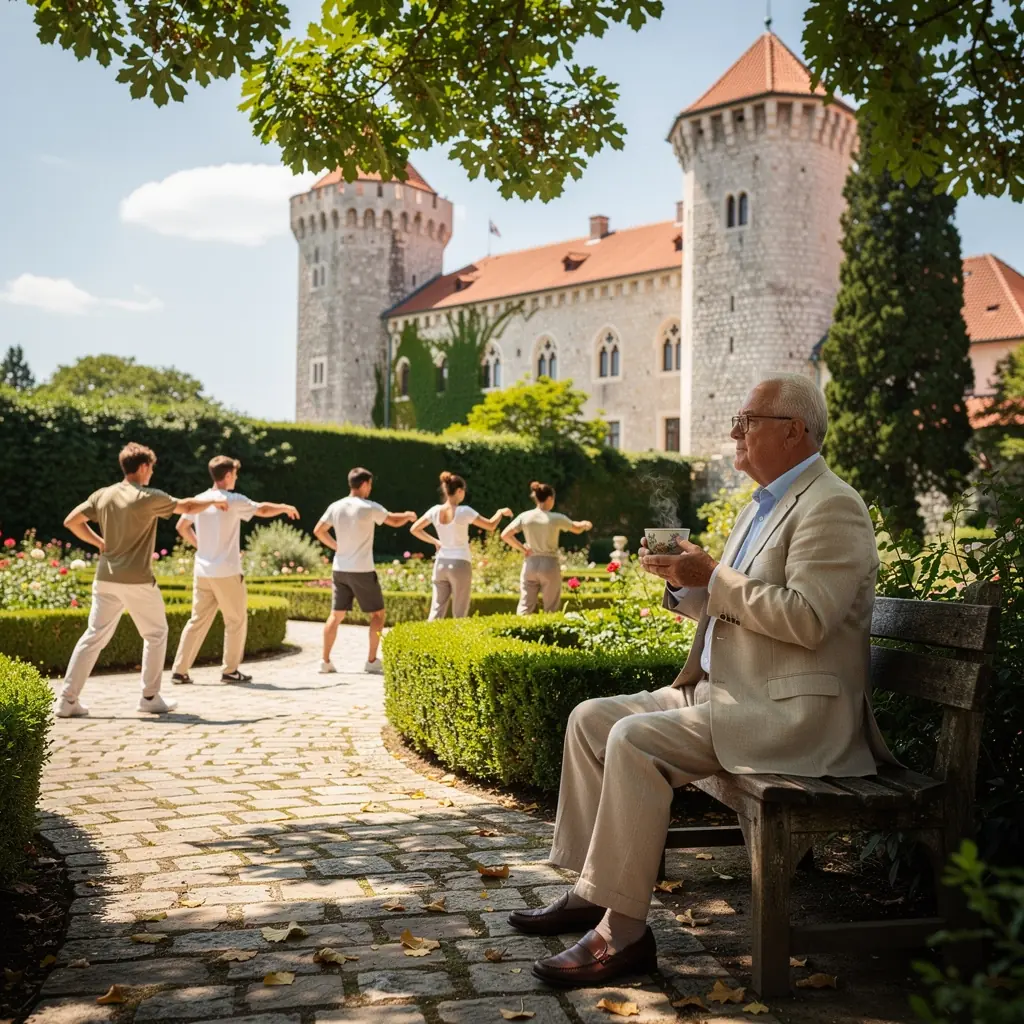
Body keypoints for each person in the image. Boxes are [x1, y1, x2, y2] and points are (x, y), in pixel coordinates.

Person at [508, 373, 895, 987]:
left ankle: (623, 934)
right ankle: (591, 891)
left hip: (789, 713)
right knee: (590, 720)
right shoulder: (760, 505)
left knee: (633, 739)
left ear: (794, 431)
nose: (735, 431)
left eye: (749, 421)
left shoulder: (832, 504)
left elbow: (808, 618)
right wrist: (683, 584)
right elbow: (734, 605)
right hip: (723, 693)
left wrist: (712, 575)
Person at [56, 442, 230, 718]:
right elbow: (185, 505)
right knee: (156, 633)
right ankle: (149, 697)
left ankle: (66, 701)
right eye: (152, 468)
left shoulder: (103, 495)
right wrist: (214, 500)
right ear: (144, 467)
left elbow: (71, 521)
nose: (152, 473)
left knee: (93, 637)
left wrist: (100, 542)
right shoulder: (148, 496)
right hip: (137, 580)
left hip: (106, 578)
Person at [169, 456, 300, 685]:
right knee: (236, 621)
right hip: (227, 571)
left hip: (203, 571)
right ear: (228, 475)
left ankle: (179, 671)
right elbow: (261, 510)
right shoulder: (233, 499)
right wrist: (284, 507)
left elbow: (182, 526)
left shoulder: (200, 500)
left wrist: (202, 546)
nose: (236, 478)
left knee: (197, 621)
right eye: (235, 474)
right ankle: (230, 671)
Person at [314, 466, 416, 675]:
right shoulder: (369, 507)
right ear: (363, 484)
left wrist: (336, 547)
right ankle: (371, 661)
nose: (370, 489)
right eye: (369, 484)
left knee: (336, 615)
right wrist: (408, 515)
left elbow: (319, 530)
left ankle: (324, 661)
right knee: (378, 614)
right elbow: (394, 521)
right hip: (362, 570)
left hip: (340, 569)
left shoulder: (336, 506)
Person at [409, 471, 511, 620]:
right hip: (460, 563)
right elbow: (490, 525)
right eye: (463, 491)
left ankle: (428, 641)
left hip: (441, 564)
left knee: (436, 610)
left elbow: (414, 529)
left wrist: (435, 541)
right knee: (460, 612)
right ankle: (458, 642)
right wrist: (500, 512)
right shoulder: (464, 511)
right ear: (459, 491)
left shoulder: (435, 510)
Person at [501, 481, 592, 614]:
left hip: (530, 563)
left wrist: (523, 549)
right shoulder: (556, 518)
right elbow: (576, 528)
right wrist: (585, 524)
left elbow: (505, 535)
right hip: (549, 564)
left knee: (525, 606)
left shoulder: (525, 517)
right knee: (551, 608)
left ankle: (519, 631)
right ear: (550, 498)